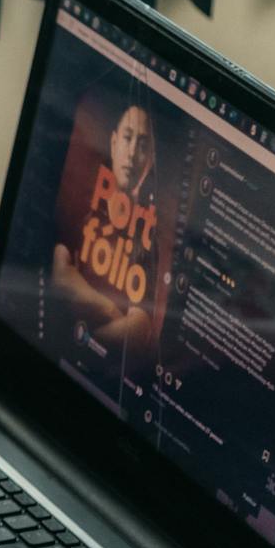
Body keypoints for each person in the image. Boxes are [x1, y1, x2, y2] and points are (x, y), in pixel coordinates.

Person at [50, 97, 170, 357]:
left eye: (142, 145)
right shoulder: (85, 196)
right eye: (127, 138)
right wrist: (111, 311)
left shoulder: (147, 233)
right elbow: (59, 272)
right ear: (114, 143)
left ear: (149, 158)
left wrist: (83, 344)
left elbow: (139, 331)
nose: (131, 153)